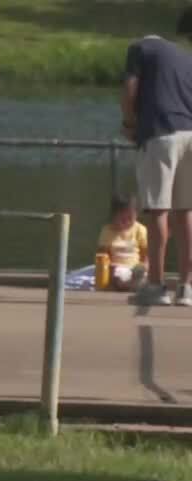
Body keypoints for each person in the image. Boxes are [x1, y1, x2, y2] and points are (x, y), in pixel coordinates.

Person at [122, 11, 192, 306]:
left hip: (159, 133)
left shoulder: (139, 49)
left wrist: (129, 124)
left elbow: (129, 89)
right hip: (190, 133)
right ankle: (187, 288)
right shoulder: (186, 57)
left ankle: (156, 285)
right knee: (186, 211)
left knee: (157, 210)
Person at [98, 195, 149, 291]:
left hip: (135, 268)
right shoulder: (107, 230)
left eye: (130, 218)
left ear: (136, 215)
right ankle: (129, 285)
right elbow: (103, 253)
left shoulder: (140, 229)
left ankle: (134, 284)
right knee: (118, 274)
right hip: (116, 267)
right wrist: (108, 266)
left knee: (141, 274)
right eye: (122, 218)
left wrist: (144, 265)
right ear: (113, 216)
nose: (126, 222)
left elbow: (145, 254)